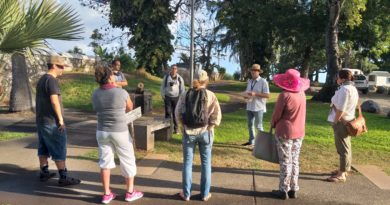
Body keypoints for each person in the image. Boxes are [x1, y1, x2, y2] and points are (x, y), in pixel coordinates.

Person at [92, 65, 143, 204]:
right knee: (128, 160)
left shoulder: (95, 93)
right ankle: (130, 192)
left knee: (105, 162)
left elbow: (96, 108)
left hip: (102, 131)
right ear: (110, 77)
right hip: (120, 131)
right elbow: (130, 107)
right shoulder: (121, 92)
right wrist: (116, 87)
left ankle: (107, 194)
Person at [175, 70, 221, 202]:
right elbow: (217, 115)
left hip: (188, 133)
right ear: (206, 81)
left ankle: (186, 194)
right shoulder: (210, 95)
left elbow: (177, 112)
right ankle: (205, 194)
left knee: (187, 163)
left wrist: (182, 126)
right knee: (206, 164)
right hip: (205, 132)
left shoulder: (185, 94)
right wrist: (210, 127)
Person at [35, 55, 81, 186]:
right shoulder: (51, 80)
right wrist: (60, 120)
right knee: (59, 148)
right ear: (53, 65)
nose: (63, 69)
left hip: (42, 120)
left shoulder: (42, 79)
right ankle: (63, 176)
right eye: (61, 66)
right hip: (52, 121)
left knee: (43, 147)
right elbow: (54, 101)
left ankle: (44, 172)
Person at [270, 69, 310, 200]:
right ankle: (294, 188)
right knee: (295, 161)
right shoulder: (302, 94)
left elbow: (276, 115)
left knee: (285, 161)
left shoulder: (284, 95)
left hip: (285, 132)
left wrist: (273, 124)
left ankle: (283, 190)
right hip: (299, 131)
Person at [326, 69, 359, 183]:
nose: (337, 79)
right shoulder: (352, 88)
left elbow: (341, 108)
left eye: (338, 77)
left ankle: (342, 174)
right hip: (348, 120)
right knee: (346, 147)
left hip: (342, 122)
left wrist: (335, 121)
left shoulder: (345, 89)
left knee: (342, 148)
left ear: (343, 78)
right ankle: (344, 169)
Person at [242, 64, 270, 146]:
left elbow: (267, 95)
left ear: (258, 72)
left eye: (255, 71)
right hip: (249, 106)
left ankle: (262, 144)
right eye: (252, 71)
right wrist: (245, 96)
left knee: (259, 126)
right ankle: (252, 141)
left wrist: (255, 94)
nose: (253, 72)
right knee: (250, 125)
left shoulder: (263, 81)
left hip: (258, 107)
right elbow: (248, 91)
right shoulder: (250, 81)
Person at [161, 64, 185, 134]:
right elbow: (162, 86)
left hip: (176, 98)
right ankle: (167, 129)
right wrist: (163, 95)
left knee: (176, 113)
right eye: (172, 68)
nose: (174, 70)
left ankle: (176, 129)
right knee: (168, 112)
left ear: (177, 70)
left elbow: (182, 89)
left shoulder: (180, 78)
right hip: (167, 97)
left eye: (175, 69)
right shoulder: (166, 77)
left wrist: (181, 98)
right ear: (170, 69)